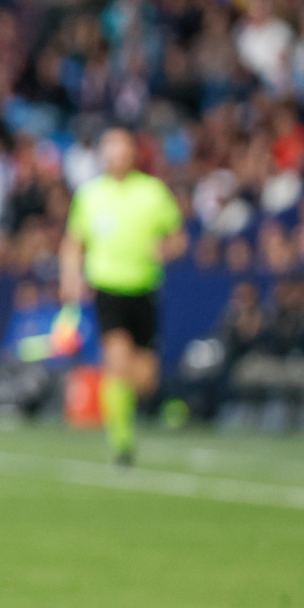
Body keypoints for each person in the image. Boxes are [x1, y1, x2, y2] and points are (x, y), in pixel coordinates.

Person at [60, 127, 186, 464]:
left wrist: (165, 248)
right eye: (109, 148)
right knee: (116, 361)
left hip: (144, 288)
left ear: (133, 152)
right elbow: (74, 241)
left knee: (144, 376)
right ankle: (122, 442)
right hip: (108, 288)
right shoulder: (90, 195)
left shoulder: (152, 192)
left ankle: (130, 411)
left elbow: (178, 237)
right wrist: (71, 276)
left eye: (121, 147)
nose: (115, 154)